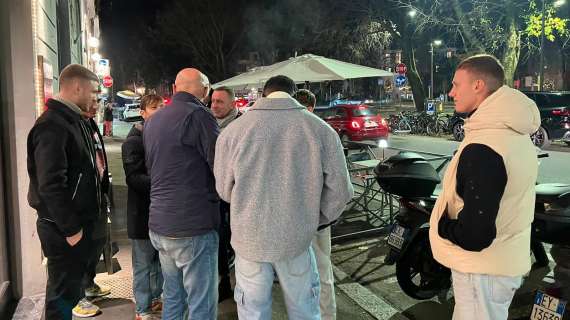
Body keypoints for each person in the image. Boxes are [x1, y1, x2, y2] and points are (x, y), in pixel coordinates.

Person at [214, 75, 353, 319]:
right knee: (304, 311)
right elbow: (341, 191)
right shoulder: (320, 129)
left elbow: (224, 191)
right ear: (294, 93)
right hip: (297, 238)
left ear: (264, 94)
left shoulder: (233, 131)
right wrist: (314, 218)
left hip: (250, 240)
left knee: (253, 312)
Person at [429, 54, 541, 320]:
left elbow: (475, 235)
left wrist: (442, 226)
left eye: (456, 84)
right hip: (500, 263)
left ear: (478, 85)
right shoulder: (513, 134)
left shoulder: (485, 146)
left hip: (482, 271)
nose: (450, 92)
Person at [27, 64, 103, 319]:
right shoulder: (52, 125)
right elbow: (50, 184)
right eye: (94, 91)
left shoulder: (73, 120)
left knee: (68, 293)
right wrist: (71, 229)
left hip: (72, 226)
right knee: (61, 296)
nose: (96, 97)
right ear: (77, 87)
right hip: (63, 230)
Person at [143, 68, 220, 319]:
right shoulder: (199, 116)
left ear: (176, 89)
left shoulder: (153, 120)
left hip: (160, 224)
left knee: (173, 295)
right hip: (192, 226)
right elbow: (219, 164)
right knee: (201, 301)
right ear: (204, 89)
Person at [294, 89, 337, 320]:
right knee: (321, 270)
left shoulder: (287, 132)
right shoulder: (323, 131)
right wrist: (325, 215)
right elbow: (339, 186)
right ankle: (326, 316)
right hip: (317, 215)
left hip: (298, 217)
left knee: (305, 273)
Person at [122, 94, 165, 320]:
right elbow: (134, 178)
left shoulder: (160, 136)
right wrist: (164, 181)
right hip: (141, 214)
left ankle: (156, 299)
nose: (159, 110)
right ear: (143, 112)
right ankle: (142, 308)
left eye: (162, 107)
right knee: (142, 265)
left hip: (160, 213)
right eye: (154, 107)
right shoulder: (134, 141)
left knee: (158, 263)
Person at [210, 86, 242, 301]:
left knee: (238, 237)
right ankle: (224, 281)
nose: (214, 106)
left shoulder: (241, 125)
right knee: (221, 237)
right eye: (212, 101)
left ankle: (241, 283)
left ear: (233, 104)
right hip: (217, 191)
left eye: (220, 102)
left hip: (238, 193)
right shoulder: (210, 124)